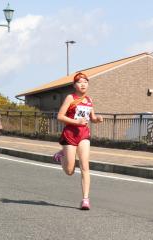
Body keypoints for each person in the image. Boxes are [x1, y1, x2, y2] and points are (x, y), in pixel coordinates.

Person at [52, 72, 103, 210]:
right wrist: (76, 121)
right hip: (70, 134)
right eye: (80, 82)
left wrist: (97, 119)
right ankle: (61, 154)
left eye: (85, 82)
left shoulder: (89, 100)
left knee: (85, 166)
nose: (83, 84)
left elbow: (91, 118)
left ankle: (85, 199)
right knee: (70, 171)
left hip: (83, 134)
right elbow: (60, 116)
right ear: (74, 85)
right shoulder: (70, 98)